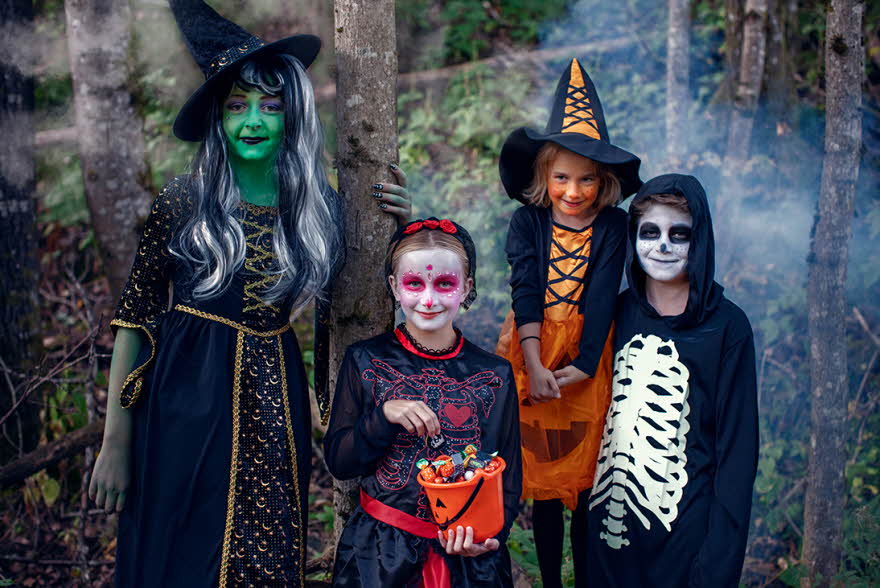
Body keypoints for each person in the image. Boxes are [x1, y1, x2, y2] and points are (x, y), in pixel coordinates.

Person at [86, 1, 408, 585]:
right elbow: (134, 318)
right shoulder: (183, 200)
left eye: (269, 104)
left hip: (272, 390)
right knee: (182, 535)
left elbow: (378, 290)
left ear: (293, 115)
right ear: (217, 117)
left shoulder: (317, 208)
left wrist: (403, 224)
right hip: (185, 387)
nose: (252, 120)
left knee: (264, 540)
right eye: (236, 106)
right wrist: (115, 440)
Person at [494, 58, 642, 588]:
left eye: (585, 179)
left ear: (602, 181)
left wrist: (580, 367)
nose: (573, 191)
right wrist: (534, 364)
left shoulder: (613, 226)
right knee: (544, 475)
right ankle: (551, 582)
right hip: (531, 347)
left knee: (582, 474)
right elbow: (526, 290)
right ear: (544, 176)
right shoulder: (528, 221)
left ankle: (586, 579)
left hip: (589, 353)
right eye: (561, 177)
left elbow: (604, 295)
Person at [324, 218, 522, 587]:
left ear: (466, 288)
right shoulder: (365, 361)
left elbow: (506, 473)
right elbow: (340, 462)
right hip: (379, 557)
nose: (428, 299)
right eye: (415, 283)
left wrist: (490, 536)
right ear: (394, 288)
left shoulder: (495, 374)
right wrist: (382, 416)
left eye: (444, 284)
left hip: (469, 561)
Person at [587, 174, 759, 587]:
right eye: (650, 232)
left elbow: (738, 453)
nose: (662, 246)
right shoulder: (611, 314)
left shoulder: (727, 327)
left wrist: (718, 561)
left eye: (678, 234)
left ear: (699, 241)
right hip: (603, 537)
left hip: (687, 536)